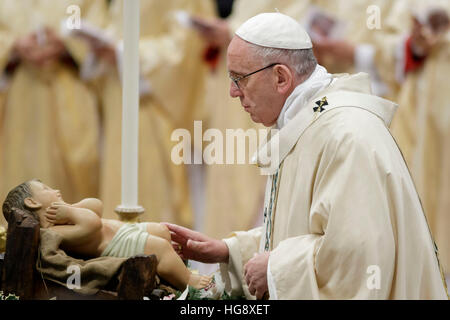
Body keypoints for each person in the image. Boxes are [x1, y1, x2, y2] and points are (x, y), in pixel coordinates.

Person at [165, 13, 449, 299]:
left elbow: (359, 259)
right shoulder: (307, 121)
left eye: (239, 79)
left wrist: (276, 269)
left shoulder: (347, 135)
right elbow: (304, 228)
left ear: (280, 77)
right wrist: (230, 251)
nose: (232, 92)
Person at [2, 179, 211, 291]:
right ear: (32, 202)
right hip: (117, 245)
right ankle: (187, 281)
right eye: (46, 189)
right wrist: (72, 212)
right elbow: (91, 224)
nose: (55, 189)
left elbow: (96, 206)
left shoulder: (64, 215)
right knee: (161, 249)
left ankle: (175, 271)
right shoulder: (53, 232)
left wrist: (71, 208)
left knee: (162, 231)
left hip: (123, 231)